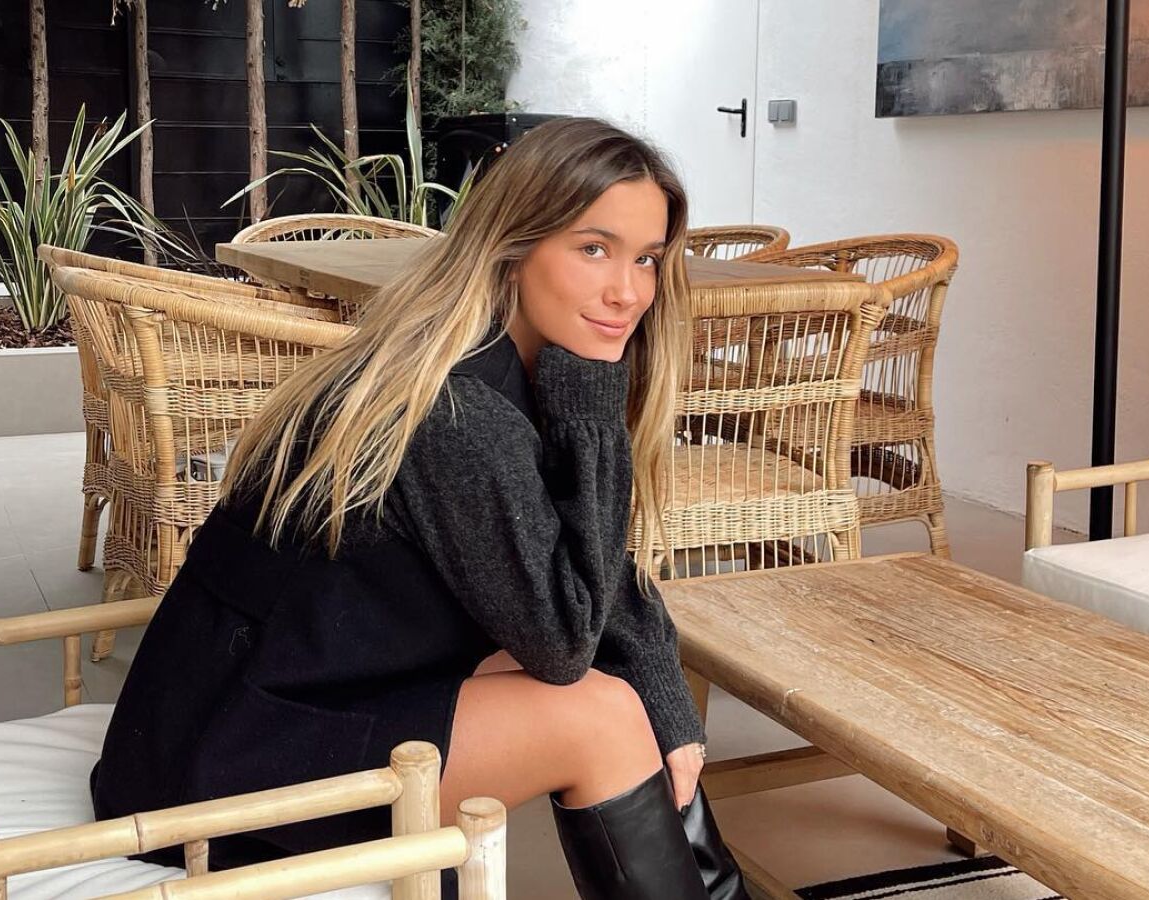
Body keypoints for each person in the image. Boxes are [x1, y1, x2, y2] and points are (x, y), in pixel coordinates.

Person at [90, 117, 748, 899]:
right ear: (513, 244)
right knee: (595, 715)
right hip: (214, 764)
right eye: (594, 249)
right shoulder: (458, 413)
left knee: (608, 682)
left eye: (647, 259)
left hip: (278, 702)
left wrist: (667, 700)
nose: (628, 291)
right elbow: (567, 638)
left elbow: (597, 574)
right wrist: (594, 410)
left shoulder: (480, 363)